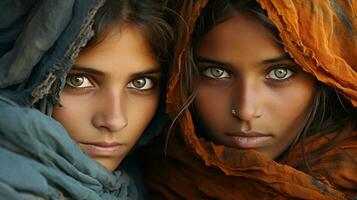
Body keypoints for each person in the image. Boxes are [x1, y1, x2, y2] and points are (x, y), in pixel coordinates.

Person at [142, 0, 357, 199]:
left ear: (327, 76)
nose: (245, 110)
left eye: (280, 73)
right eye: (216, 73)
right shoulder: (149, 173)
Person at [0, 0, 172, 199]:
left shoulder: (141, 181)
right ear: (31, 76)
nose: (115, 120)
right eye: (78, 80)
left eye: (141, 83)